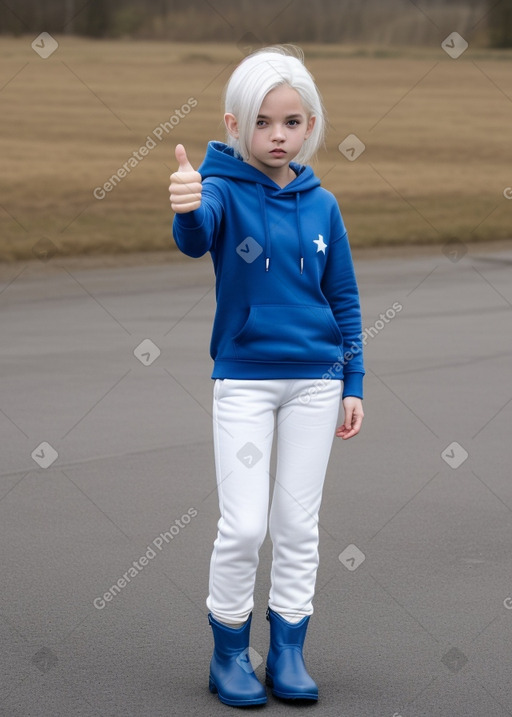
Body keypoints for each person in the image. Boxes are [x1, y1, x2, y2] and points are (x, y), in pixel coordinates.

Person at [169, 45, 364, 707]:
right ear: (235, 123)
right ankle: (229, 655)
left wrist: (354, 380)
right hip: (246, 381)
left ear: (309, 125)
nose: (277, 135)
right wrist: (187, 206)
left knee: (297, 524)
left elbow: (344, 296)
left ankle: (287, 651)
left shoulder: (323, 203)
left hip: (317, 381)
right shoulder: (221, 189)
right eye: (263, 122)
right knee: (246, 524)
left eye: (292, 122)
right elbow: (199, 237)